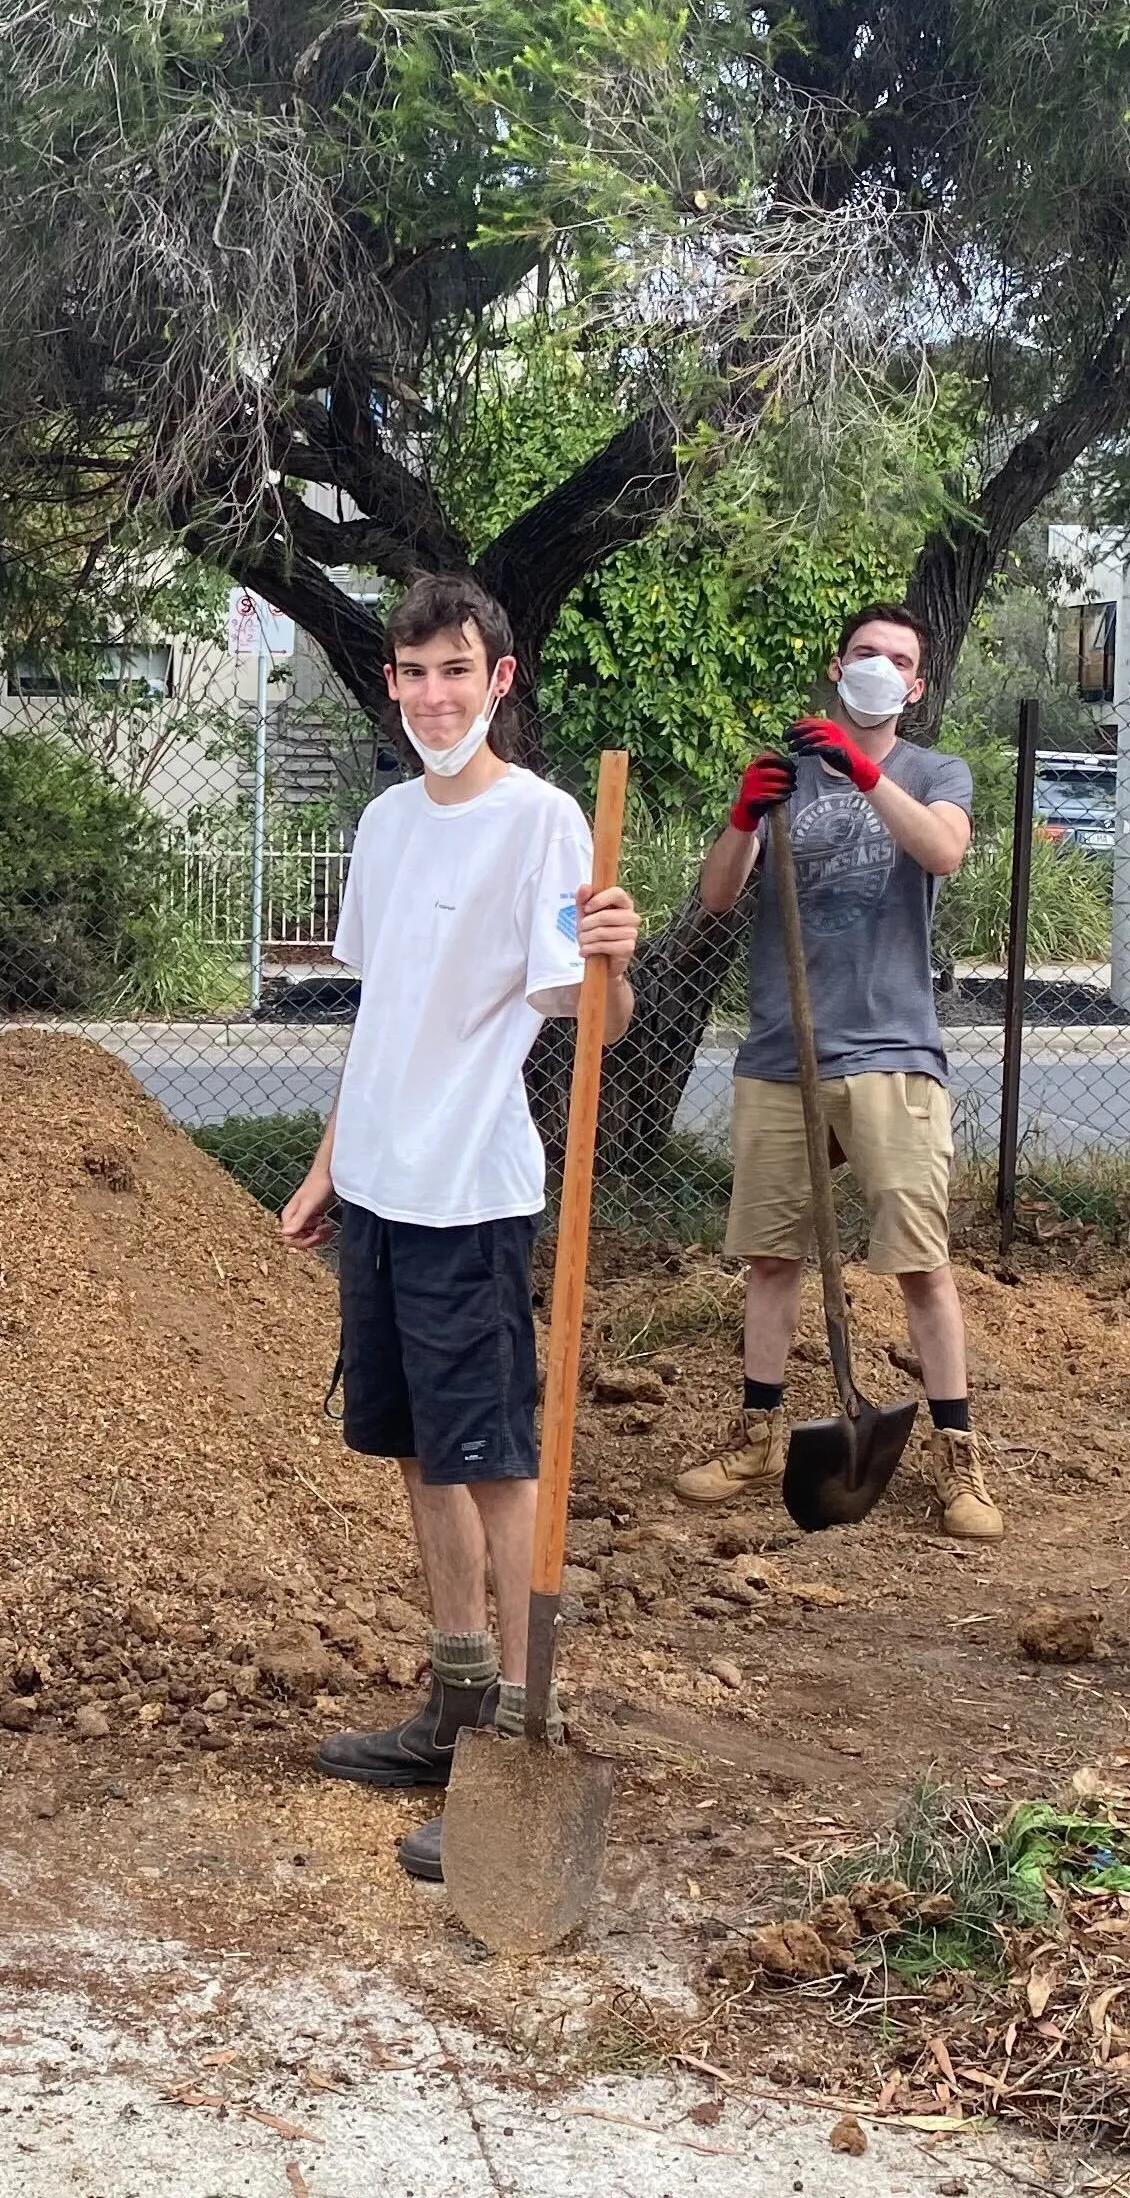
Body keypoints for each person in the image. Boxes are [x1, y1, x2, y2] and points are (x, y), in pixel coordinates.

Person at [277, 574, 639, 1887]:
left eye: (456, 671)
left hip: (466, 1199)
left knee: (488, 1459)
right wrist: (329, 1163)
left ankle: (519, 1728)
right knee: (415, 1453)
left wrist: (614, 950)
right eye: (412, 671)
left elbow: (585, 1020)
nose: (434, 693)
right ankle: (450, 1692)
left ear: (498, 681)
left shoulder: (542, 825)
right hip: (376, 1186)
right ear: (390, 684)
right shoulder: (382, 825)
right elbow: (384, 1011)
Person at [678, 603, 1002, 1540]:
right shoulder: (786, 779)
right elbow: (716, 894)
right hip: (782, 1052)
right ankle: (756, 1433)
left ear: (915, 686)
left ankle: (958, 1459)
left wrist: (862, 772)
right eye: (865, 652)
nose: (879, 668)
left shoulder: (933, 771)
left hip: (891, 1050)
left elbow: (942, 848)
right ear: (837, 665)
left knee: (919, 1262)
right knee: (772, 1257)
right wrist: (745, 816)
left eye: (897, 659)